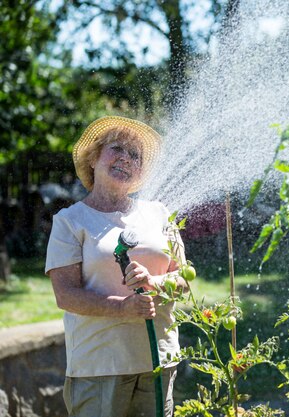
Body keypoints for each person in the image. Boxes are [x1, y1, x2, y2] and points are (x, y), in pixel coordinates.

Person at [45, 116, 187, 417]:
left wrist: (155, 282)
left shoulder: (159, 214)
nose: (126, 158)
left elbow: (184, 280)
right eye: (117, 148)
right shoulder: (70, 221)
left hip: (158, 359)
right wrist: (123, 308)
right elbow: (66, 295)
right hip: (99, 366)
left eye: (135, 155)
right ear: (94, 157)